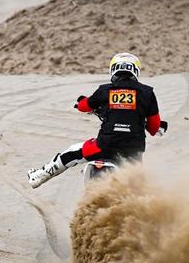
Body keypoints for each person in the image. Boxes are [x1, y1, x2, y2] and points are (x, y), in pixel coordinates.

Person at [27, 53, 167, 189]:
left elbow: (84, 106)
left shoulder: (105, 90)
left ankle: (39, 176)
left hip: (104, 145)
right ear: (135, 71)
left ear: (113, 69)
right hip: (133, 152)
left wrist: (82, 101)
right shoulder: (147, 93)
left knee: (71, 153)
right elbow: (154, 128)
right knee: (140, 187)